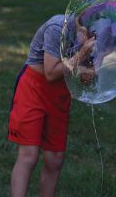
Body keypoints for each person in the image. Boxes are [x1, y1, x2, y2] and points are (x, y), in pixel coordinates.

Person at [8, 14, 95, 197]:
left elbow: (86, 73)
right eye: (85, 35)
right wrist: (81, 56)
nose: (87, 39)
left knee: (55, 159)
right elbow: (50, 72)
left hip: (59, 94)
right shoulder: (57, 28)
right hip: (33, 89)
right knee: (29, 156)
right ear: (80, 26)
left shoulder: (92, 36)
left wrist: (89, 73)